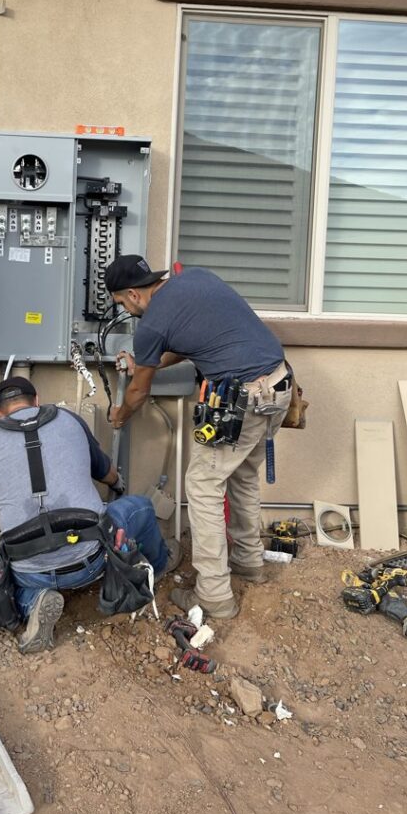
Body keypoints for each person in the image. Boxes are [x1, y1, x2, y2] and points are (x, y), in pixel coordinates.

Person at [104, 255, 292, 620]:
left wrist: (119, 415)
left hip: (246, 400)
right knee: (243, 477)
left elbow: (138, 393)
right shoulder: (195, 280)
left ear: (132, 294)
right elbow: (192, 340)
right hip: (279, 385)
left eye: (123, 304)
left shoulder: (152, 324)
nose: (126, 310)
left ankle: (214, 596)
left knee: (203, 485)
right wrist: (146, 359)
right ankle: (249, 562)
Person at [0, 375, 169, 653]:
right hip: (91, 559)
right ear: (37, 401)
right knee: (141, 507)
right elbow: (106, 472)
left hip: (31, 571)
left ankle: (34, 600)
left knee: (7, 573)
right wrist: (117, 484)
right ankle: (157, 569)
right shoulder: (68, 419)